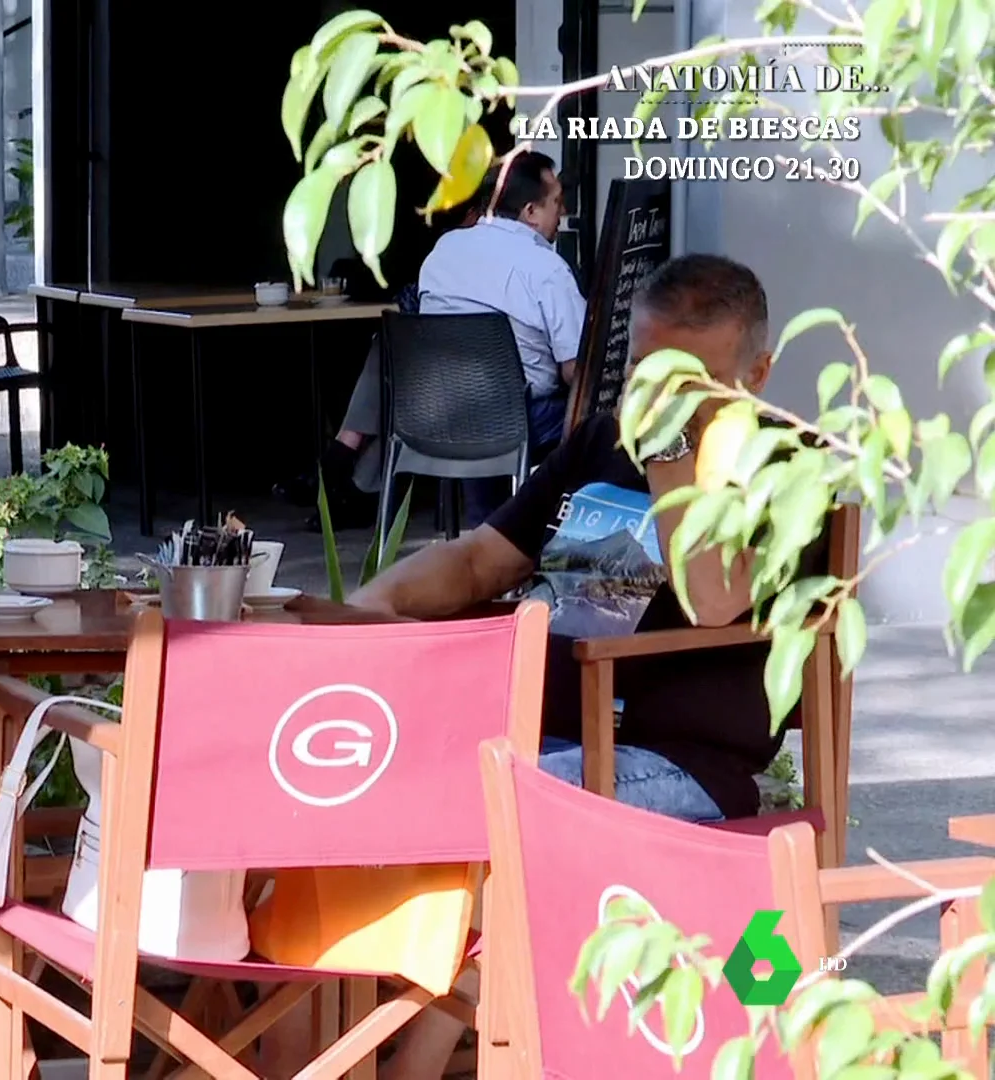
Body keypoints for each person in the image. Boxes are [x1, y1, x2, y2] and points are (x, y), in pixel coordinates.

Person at [260, 254, 807, 1080]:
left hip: (682, 766)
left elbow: (718, 595)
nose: (656, 397)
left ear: (755, 374)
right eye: (645, 371)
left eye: (689, 379)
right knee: (334, 788)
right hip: (534, 735)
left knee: (478, 808)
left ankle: (407, 1058)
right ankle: (297, 1057)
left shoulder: (784, 470)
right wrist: (361, 612)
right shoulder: (597, 444)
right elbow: (482, 559)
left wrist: (672, 452)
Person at [275, 152, 585, 531]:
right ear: (531, 211)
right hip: (515, 421)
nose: (563, 210)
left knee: (487, 398)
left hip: (433, 415)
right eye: (556, 201)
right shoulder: (548, 268)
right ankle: (562, 539)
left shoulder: (444, 251)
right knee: (589, 415)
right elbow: (575, 371)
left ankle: (480, 529)